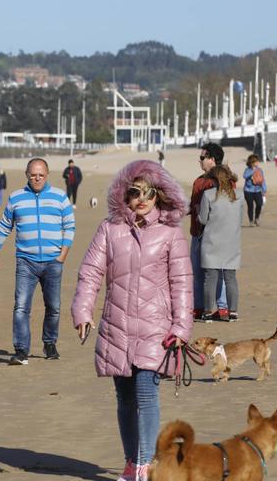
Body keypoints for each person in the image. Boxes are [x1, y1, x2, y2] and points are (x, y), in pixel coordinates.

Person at [70, 160, 192, 481]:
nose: (141, 199)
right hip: (116, 327)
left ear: (159, 196)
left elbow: (182, 284)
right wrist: (83, 311)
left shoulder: (170, 234)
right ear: (125, 194)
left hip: (156, 330)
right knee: (124, 399)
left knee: (146, 395)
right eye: (135, 192)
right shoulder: (109, 230)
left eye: (148, 193)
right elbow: (91, 273)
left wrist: (181, 327)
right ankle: (130, 461)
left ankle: (144, 464)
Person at [0, 158, 75, 364]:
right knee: (21, 307)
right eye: (33, 174)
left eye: (41, 175)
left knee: (53, 306)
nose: (37, 178)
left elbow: (69, 226)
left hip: (53, 262)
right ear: (27, 174)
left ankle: (49, 343)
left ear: (47, 175)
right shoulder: (16, 198)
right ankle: (20, 350)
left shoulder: (60, 197)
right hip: (26, 262)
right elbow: (4, 225)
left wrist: (63, 254)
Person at [189, 143, 229, 322]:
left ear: (212, 159)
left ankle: (216, 308)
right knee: (204, 272)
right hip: (207, 233)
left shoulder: (211, 181)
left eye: (202, 157)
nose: (200, 160)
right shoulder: (204, 181)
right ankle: (207, 308)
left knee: (211, 272)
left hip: (209, 233)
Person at [199, 165, 243, 322]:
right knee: (230, 277)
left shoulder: (208, 195)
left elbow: (203, 219)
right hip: (232, 241)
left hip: (211, 242)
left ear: (214, 179)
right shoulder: (239, 195)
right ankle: (233, 312)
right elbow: (240, 219)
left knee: (210, 278)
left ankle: (208, 312)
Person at [242, 154, 267, 227]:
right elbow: (245, 176)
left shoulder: (260, 170)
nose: (258, 163)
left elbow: (263, 180)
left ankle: (257, 218)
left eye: (258, 161)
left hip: (258, 190)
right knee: (250, 206)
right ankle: (251, 221)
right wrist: (253, 171)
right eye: (256, 161)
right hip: (248, 191)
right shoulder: (247, 170)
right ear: (252, 162)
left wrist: (264, 189)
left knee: (259, 204)